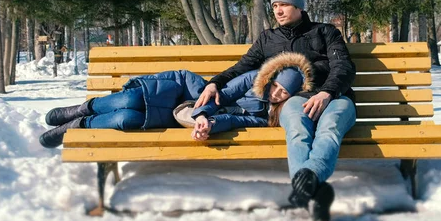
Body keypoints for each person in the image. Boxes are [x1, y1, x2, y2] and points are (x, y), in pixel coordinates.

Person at [195, 0, 357, 221]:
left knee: (330, 127)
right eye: (275, 6)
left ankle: (308, 181)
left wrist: (327, 93)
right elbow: (241, 67)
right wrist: (215, 82)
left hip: (336, 97)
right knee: (296, 129)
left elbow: (343, 67)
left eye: (284, 4)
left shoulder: (325, 32)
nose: (279, 11)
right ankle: (314, 191)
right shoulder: (267, 39)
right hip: (298, 100)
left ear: (299, 5)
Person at [38, 52, 314, 149]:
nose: (277, 93)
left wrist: (209, 125)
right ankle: (82, 108)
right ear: (272, 78)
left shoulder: (264, 117)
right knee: (131, 99)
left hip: (180, 114)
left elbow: (233, 119)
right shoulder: (254, 80)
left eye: (284, 93)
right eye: (276, 86)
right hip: (186, 94)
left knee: (128, 119)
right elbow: (222, 95)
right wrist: (203, 113)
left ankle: (78, 125)